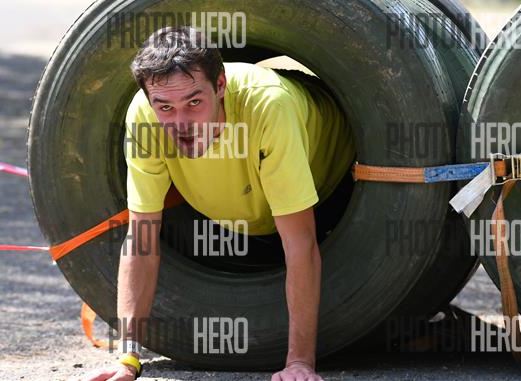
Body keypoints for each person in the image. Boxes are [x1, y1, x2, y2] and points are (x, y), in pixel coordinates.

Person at [80, 26, 355, 381]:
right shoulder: (145, 117)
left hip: (335, 184)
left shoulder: (268, 106)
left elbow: (300, 242)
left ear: (220, 86)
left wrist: (299, 364)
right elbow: (142, 239)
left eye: (194, 102)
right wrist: (127, 359)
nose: (181, 123)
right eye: (165, 107)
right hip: (244, 213)